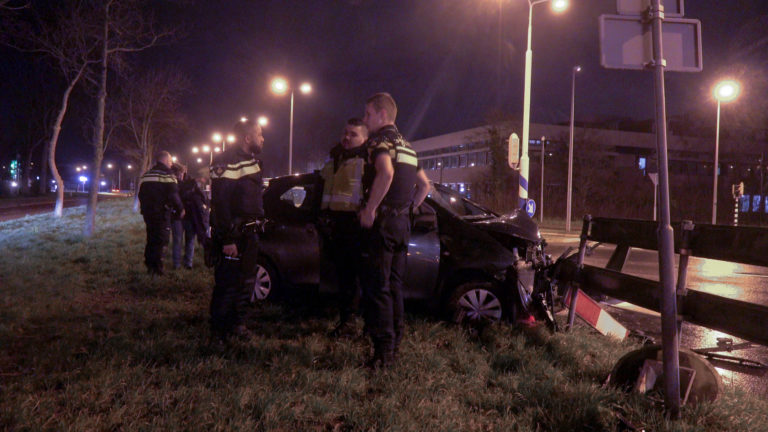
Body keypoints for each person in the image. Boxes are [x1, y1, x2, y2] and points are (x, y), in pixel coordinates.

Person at [359, 93, 431, 368]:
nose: (366, 120)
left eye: (368, 114)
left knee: (378, 287)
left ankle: (383, 353)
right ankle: (395, 341)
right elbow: (424, 186)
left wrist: (370, 209)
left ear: (382, 115)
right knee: (395, 285)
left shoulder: (380, 141)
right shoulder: (409, 148)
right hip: (402, 225)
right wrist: (408, 209)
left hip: (383, 225)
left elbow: (386, 173)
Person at [208, 119, 265, 344]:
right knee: (228, 284)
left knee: (246, 282)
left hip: (250, 234)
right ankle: (219, 332)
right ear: (247, 138)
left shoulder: (251, 161)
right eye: (259, 134)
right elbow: (221, 203)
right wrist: (227, 239)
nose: (263, 138)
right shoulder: (226, 161)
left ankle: (237, 324)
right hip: (234, 234)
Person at [319, 118, 369, 338]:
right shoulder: (334, 159)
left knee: (361, 279)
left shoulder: (368, 161)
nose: (347, 137)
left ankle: (365, 325)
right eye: (345, 133)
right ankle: (347, 322)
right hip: (335, 226)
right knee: (344, 278)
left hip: (358, 228)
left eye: (353, 134)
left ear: (365, 138)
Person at [138, 151, 184, 275]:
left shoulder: (146, 175)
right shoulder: (167, 174)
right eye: (170, 161)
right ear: (165, 160)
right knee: (161, 240)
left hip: (148, 213)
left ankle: (149, 266)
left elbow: (141, 194)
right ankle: (157, 269)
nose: (171, 163)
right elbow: (174, 195)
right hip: (162, 213)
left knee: (151, 238)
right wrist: (181, 209)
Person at [179, 171, 210, 269]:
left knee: (184, 241)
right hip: (190, 217)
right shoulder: (192, 186)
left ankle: (183, 263)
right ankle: (187, 263)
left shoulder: (177, 185)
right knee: (189, 241)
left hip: (184, 217)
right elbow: (203, 199)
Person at [169, 163, 187, 269]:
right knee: (177, 239)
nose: (182, 176)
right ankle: (176, 264)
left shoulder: (170, 182)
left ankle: (178, 263)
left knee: (178, 239)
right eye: (180, 173)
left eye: (182, 173)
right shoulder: (174, 184)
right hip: (176, 215)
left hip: (176, 214)